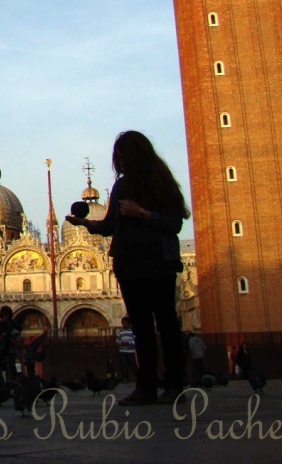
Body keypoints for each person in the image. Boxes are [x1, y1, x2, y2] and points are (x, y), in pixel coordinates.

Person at [67, 130, 188, 406]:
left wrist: (141, 213)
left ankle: (174, 386)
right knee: (141, 327)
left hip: (159, 262)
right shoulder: (121, 187)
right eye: (116, 158)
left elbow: (175, 224)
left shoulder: (161, 183)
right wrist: (84, 224)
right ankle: (145, 388)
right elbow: (110, 226)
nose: (118, 163)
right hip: (129, 263)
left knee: (167, 324)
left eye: (122, 157)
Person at [0, 306, 19, 380]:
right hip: (1, 346)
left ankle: (13, 378)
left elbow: (17, 331)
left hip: (10, 346)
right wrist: (2, 333)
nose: (5, 316)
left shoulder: (13, 323)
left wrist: (10, 334)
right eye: (3, 315)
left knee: (11, 365)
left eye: (6, 315)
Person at [116, 317, 137, 383]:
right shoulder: (120, 332)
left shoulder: (132, 332)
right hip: (122, 351)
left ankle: (139, 376)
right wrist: (120, 343)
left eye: (126, 323)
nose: (125, 325)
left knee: (133, 364)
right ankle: (125, 378)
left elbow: (135, 342)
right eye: (123, 323)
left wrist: (129, 343)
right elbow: (117, 341)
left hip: (131, 351)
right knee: (123, 365)